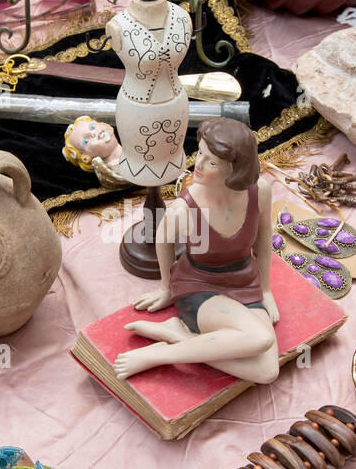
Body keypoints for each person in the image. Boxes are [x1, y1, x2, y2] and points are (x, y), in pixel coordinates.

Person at [114, 118, 279, 383]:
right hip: (199, 286)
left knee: (267, 371)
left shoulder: (260, 191)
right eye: (199, 152)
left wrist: (267, 290)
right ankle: (156, 356)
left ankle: (177, 336)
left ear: (236, 169)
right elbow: (164, 241)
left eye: (211, 162)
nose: (198, 165)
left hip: (245, 282)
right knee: (261, 338)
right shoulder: (184, 208)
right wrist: (166, 288)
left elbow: (263, 236)